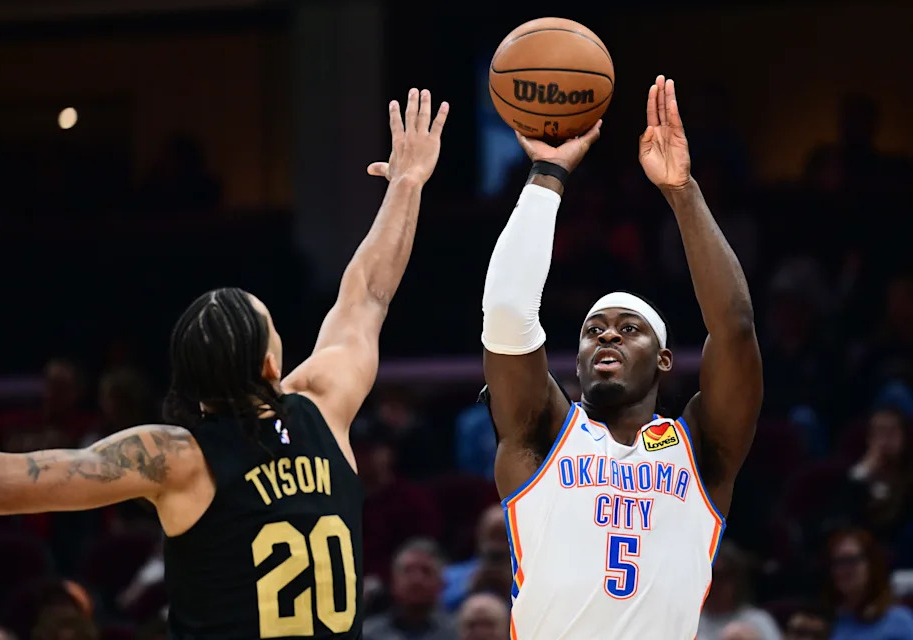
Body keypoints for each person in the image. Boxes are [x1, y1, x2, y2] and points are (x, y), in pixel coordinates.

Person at [0, 88, 449, 639]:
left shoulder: (175, 459)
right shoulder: (325, 405)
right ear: (268, 365)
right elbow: (368, 295)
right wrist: (406, 185)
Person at [479, 75, 762, 640]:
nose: (605, 337)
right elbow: (508, 314)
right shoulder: (542, 433)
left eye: (628, 329)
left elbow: (733, 329)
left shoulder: (702, 449)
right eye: (592, 331)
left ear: (662, 359)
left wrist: (682, 192)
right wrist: (547, 175)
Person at [823, 529, 913, 640]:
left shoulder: (898, 622)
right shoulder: (834, 622)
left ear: (872, 565)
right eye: (837, 562)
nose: (841, 570)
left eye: (850, 560)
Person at [362, 538, 457, 640]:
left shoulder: (456, 633)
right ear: (393, 580)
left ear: (441, 582)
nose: (416, 580)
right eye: (408, 571)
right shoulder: (368, 634)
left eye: (426, 571)